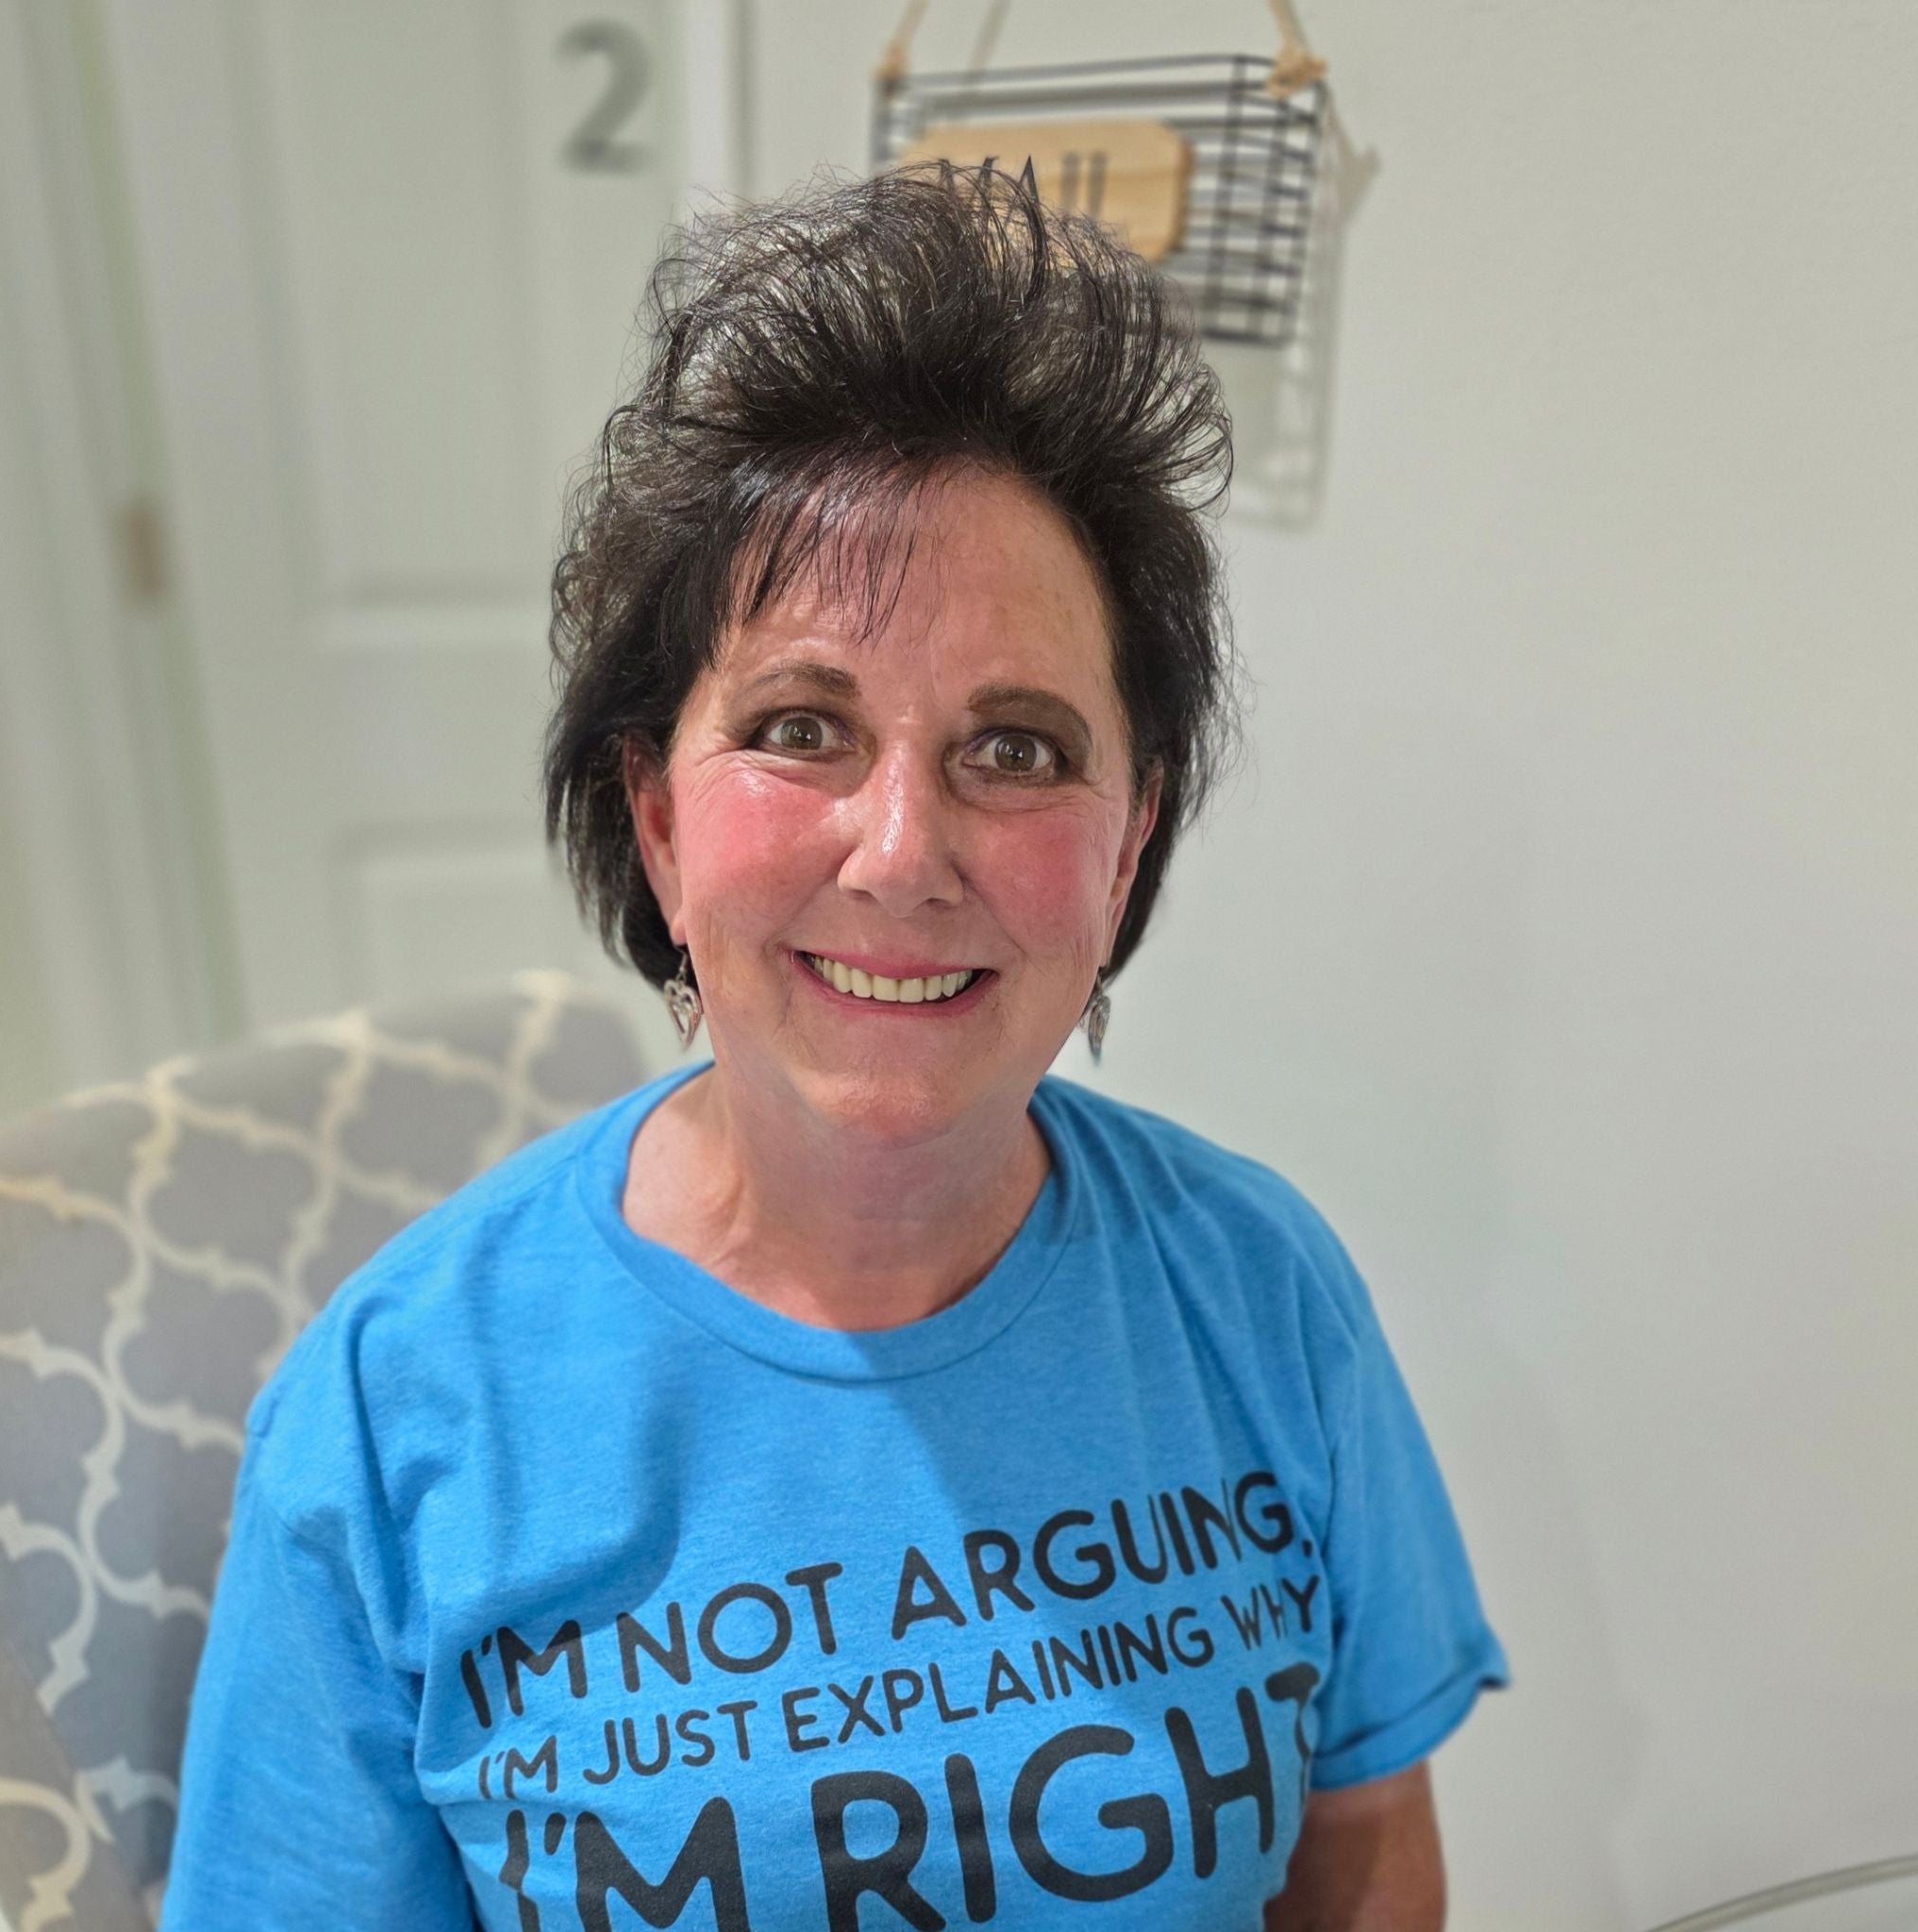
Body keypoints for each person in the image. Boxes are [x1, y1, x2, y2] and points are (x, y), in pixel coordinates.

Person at [162, 161, 1507, 1931]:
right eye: (801, 726)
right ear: (654, 816)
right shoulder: (391, 1420)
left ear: (1130, 836)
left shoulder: (1260, 1295)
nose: (901, 852)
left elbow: (1362, 1855)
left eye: (1016, 746)